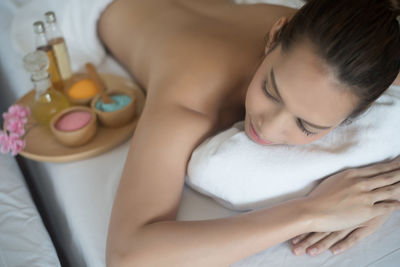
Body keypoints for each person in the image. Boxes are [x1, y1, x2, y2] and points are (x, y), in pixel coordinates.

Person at [98, 0, 400, 265]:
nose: (268, 128)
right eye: (270, 90)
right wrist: (312, 211)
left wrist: (387, 194)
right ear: (274, 37)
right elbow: (128, 255)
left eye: (306, 126)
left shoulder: (350, 53)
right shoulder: (188, 104)